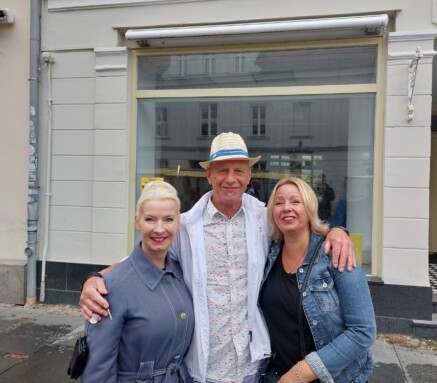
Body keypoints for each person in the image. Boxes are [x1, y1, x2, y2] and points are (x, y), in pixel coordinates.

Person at [80, 132, 356, 383]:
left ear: (249, 176)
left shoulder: (264, 218)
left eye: (239, 170)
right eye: (222, 170)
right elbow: (140, 259)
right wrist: (96, 278)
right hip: (202, 367)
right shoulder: (185, 226)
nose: (231, 178)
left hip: (251, 365)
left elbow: (300, 227)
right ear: (209, 175)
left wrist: (336, 232)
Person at [259, 177, 376, 383]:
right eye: (279, 203)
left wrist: (301, 373)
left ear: (310, 208)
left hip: (331, 378)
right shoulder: (269, 254)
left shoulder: (335, 254)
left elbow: (363, 331)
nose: (287, 208)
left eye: (295, 201)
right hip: (277, 375)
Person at [82, 181, 194, 382]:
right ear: (137, 222)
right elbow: (97, 371)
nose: (159, 229)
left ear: (178, 222)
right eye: (150, 219)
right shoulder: (112, 287)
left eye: (168, 219)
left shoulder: (180, 271)